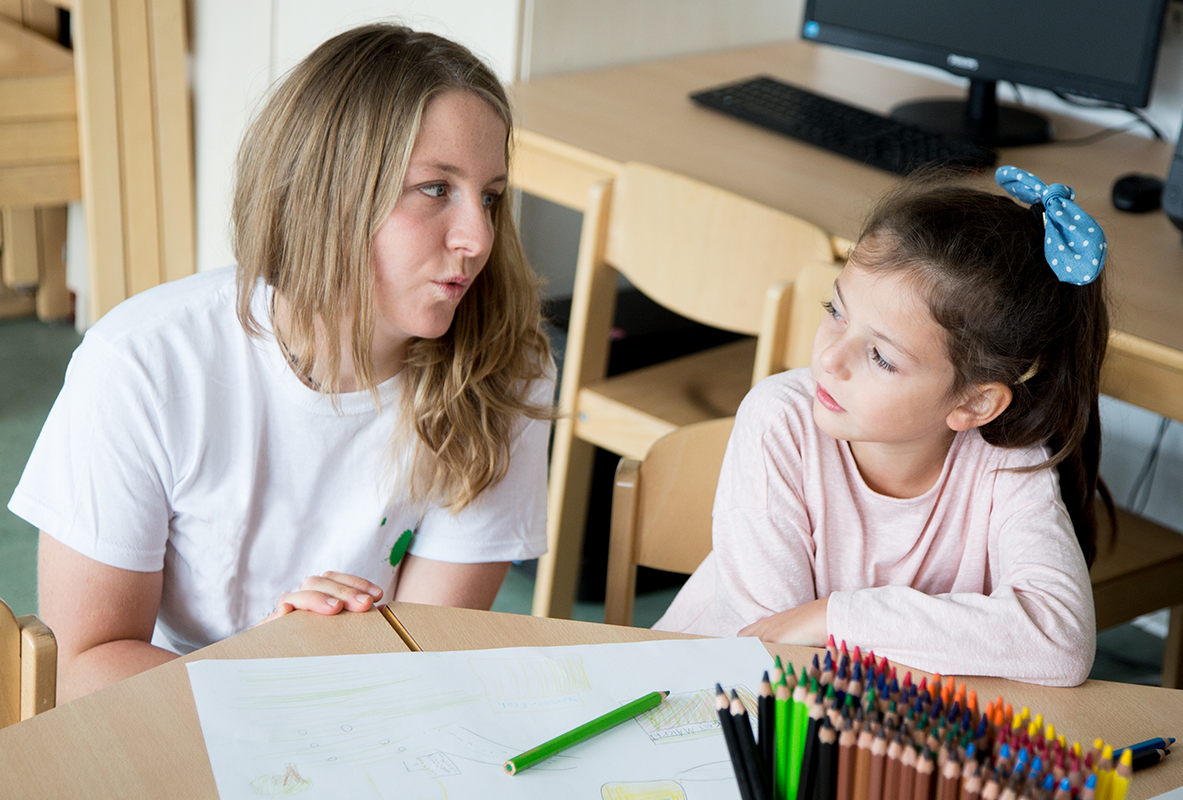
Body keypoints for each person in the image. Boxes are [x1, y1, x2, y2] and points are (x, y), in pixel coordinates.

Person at [9, 24, 554, 702]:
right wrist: (266, 670)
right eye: (436, 189)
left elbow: (423, 659)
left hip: (364, 705)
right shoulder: (141, 363)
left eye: (491, 196)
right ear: (329, 193)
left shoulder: (502, 369)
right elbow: (83, 668)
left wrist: (303, 672)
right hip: (169, 705)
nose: (478, 238)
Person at [655, 167, 1110, 687]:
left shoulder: (1005, 457)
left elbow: (1062, 641)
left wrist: (832, 618)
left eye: (881, 357)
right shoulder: (780, 421)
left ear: (975, 401)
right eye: (836, 311)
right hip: (710, 700)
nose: (830, 358)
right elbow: (771, 654)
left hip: (870, 718)